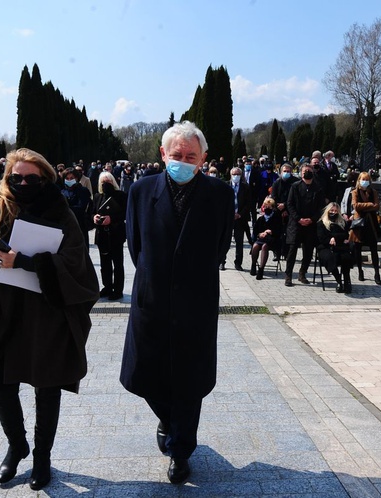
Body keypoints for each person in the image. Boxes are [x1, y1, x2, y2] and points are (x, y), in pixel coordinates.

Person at [0, 148, 99, 490]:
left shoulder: (60, 211)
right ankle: (17, 446)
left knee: (46, 385)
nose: (23, 183)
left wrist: (24, 262)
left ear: (45, 179)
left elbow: (76, 264)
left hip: (46, 311)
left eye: (31, 178)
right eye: (16, 177)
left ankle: (42, 458)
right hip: (4, 308)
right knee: (1, 383)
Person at [120, 121, 234, 484]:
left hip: (196, 300)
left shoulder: (218, 193)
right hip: (151, 298)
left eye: (190, 156)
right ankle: (168, 418)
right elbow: (136, 246)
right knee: (144, 373)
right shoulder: (140, 191)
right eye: (176, 155)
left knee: (189, 377)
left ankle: (180, 450)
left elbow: (220, 245)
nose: (182, 161)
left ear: (203, 159)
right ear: (162, 155)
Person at [284, 162, 325, 287]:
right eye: (304, 171)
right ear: (301, 174)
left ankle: (303, 272)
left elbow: (321, 207)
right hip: (296, 224)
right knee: (292, 250)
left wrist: (312, 219)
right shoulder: (295, 186)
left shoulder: (318, 188)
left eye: (309, 171)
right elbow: (290, 204)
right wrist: (298, 219)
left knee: (308, 251)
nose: (307, 173)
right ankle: (289, 275)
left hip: (311, 224)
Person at [92, 171, 127, 300]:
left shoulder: (121, 196)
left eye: (108, 181)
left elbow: (125, 213)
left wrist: (111, 219)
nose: (106, 184)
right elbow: (92, 212)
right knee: (104, 264)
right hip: (102, 235)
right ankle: (107, 286)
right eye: (103, 182)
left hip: (116, 234)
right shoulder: (97, 196)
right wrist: (94, 217)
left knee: (118, 264)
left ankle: (118, 290)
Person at [349, 172, 381, 285]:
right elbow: (356, 206)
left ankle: (377, 273)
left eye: (367, 179)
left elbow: (377, 206)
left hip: (371, 223)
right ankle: (360, 271)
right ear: (359, 180)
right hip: (359, 223)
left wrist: (366, 206)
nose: (365, 181)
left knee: (374, 249)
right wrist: (370, 205)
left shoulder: (374, 192)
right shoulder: (355, 192)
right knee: (358, 249)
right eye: (363, 179)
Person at [317, 202, 353, 293]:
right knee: (330, 258)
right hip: (325, 247)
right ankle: (339, 281)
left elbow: (345, 235)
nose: (333, 212)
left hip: (340, 247)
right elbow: (322, 238)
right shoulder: (321, 223)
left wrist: (334, 237)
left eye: (336, 211)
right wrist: (332, 238)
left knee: (346, 257)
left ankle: (347, 281)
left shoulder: (342, 222)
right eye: (332, 210)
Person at [250, 197, 282, 280]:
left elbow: (280, 230)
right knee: (255, 246)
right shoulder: (261, 219)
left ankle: (261, 269)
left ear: (272, 207)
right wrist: (260, 234)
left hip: (272, 240)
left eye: (269, 207)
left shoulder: (277, 217)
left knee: (264, 246)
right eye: (265, 206)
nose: (267, 208)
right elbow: (255, 231)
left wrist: (271, 231)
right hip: (261, 238)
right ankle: (253, 265)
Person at [227, 166, 252, 271]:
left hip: (240, 218)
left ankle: (238, 263)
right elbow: (222, 202)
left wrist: (240, 214)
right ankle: (222, 261)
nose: (236, 176)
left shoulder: (245, 187)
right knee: (225, 241)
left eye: (238, 174)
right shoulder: (226, 186)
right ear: (230, 175)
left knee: (239, 242)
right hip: (228, 218)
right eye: (234, 174)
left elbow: (248, 203)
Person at [60, 167, 93, 247]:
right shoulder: (62, 192)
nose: (69, 180)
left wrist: (65, 209)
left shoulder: (83, 191)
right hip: (65, 227)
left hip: (80, 225)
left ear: (76, 178)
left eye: (71, 178)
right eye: (67, 178)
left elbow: (81, 208)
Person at [270, 163, 297, 259]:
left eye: (288, 171)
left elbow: (295, 198)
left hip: (291, 211)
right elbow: (274, 196)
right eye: (284, 171)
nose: (286, 173)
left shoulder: (295, 182)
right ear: (281, 172)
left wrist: (285, 206)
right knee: (277, 232)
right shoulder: (277, 182)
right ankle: (277, 253)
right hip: (278, 210)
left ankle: (286, 253)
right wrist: (280, 207)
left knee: (288, 233)